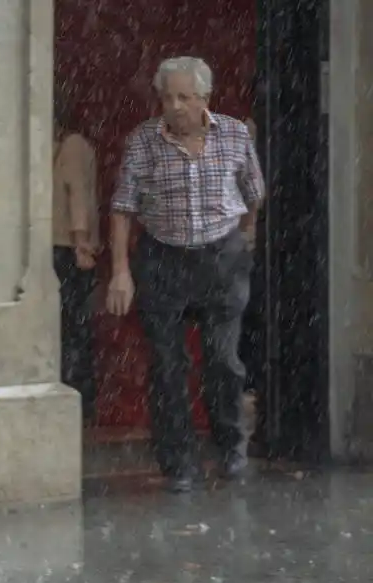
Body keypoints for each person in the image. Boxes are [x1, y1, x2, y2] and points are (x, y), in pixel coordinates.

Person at [105, 56, 265, 493]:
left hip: (221, 258)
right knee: (168, 366)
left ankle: (231, 446)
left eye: (183, 97)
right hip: (162, 259)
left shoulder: (233, 134)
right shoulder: (144, 141)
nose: (173, 106)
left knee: (222, 360)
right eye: (166, 96)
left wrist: (243, 239)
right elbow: (123, 208)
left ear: (204, 99)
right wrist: (121, 271)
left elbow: (254, 193)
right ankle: (179, 463)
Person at [52, 90, 100, 424]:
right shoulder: (71, 146)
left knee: (70, 327)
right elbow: (77, 195)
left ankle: (74, 397)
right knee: (74, 327)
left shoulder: (65, 147)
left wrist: (80, 243)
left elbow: (76, 195)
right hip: (66, 249)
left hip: (63, 249)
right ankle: (76, 398)